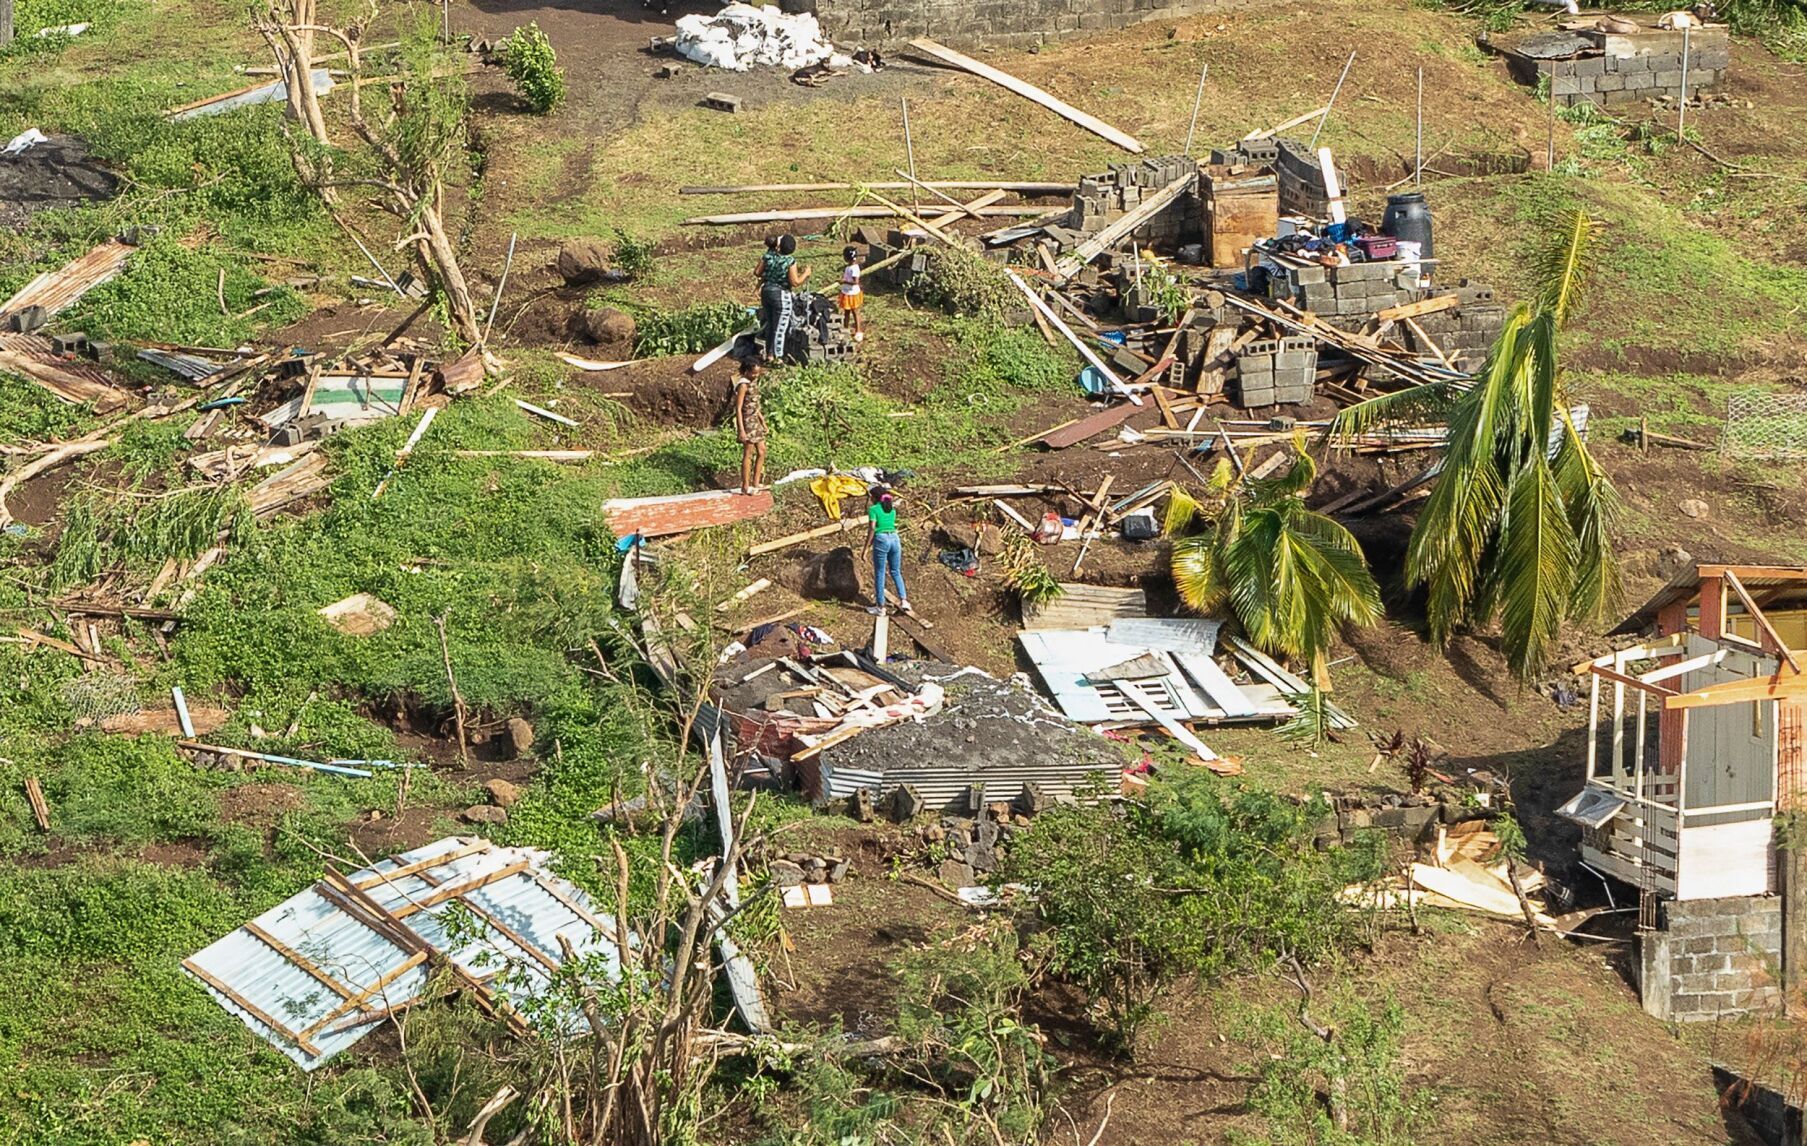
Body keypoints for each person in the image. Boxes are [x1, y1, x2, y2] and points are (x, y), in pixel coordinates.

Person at [755, 234, 810, 363]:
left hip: (766, 292)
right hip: (780, 295)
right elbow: (795, 282)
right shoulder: (789, 261)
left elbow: (757, 272)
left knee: (770, 324)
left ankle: (769, 354)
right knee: (780, 327)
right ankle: (776, 358)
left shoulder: (769, 256)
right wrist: (806, 273)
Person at [865, 487, 911, 615]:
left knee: (880, 573)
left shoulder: (873, 509)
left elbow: (872, 528)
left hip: (882, 539)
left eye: (870, 496)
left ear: (874, 497)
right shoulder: (892, 510)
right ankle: (904, 600)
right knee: (896, 571)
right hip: (895, 538)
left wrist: (866, 547)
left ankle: (880, 607)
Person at [732, 358, 768, 495]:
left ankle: (756, 482)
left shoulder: (754, 383)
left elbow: (755, 406)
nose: (756, 375)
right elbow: (739, 408)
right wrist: (741, 430)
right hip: (747, 423)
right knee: (748, 454)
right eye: (753, 373)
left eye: (758, 373)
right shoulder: (743, 385)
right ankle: (745, 486)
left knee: (762, 451)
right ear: (746, 372)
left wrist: (763, 422)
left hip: (755, 421)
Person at [838, 245, 866, 343]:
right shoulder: (849, 267)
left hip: (852, 293)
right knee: (846, 312)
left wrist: (844, 282)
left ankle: (858, 331)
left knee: (855, 312)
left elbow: (855, 282)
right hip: (847, 292)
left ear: (846, 258)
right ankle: (845, 329)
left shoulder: (854, 268)